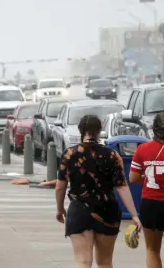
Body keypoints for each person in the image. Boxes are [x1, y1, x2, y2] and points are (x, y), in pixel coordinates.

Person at [55, 115, 141, 268]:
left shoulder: (69, 155)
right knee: (105, 262)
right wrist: (134, 214)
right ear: (99, 131)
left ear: (80, 130)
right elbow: (122, 186)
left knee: (83, 261)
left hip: (79, 210)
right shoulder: (112, 155)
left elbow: (60, 186)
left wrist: (60, 209)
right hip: (107, 211)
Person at [129, 113, 164, 268]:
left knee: (152, 249)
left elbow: (133, 178)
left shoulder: (143, 149)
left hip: (151, 203)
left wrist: (150, 179)